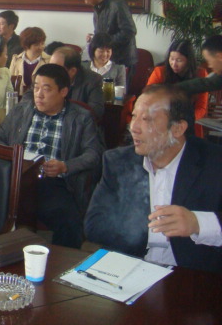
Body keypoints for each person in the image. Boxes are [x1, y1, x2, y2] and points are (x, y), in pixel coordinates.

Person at [85, 84, 222, 272]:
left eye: (147, 119)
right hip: (130, 268)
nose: (133, 128)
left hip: (193, 273)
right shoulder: (118, 161)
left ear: (177, 128)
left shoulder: (214, 163)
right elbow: (94, 225)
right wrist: (146, 229)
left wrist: (197, 223)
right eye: (133, 116)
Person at [0, 64, 103, 248]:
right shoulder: (21, 110)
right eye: (36, 88)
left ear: (63, 92)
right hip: (15, 178)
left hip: (51, 181)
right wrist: (10, 157)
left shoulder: (81, 118)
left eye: (46, 89)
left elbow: (93, 154)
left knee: (69, 223)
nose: (39, 95)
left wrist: (65, 166)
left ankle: (61, 262)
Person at [77, 0, 138, 86]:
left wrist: (106, 43)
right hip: (106, 59)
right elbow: (103, 33)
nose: (86, 2)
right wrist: (95, 38)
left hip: (121, 60)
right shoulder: (97, 7)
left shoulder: (117, 5)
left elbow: (129, 31)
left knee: (116, 94)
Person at [147, 40, 208, 137]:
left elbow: (201, 108)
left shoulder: (200, 74)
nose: (174, 64)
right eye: (171, 59)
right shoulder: (160, 72)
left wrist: (184, 122)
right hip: (162, 120)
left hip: (189, 123)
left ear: (189, 61)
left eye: (179, 60)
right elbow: (147, 98)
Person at [50, 46, 105, 119]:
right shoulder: (47, 76)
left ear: (72, 71)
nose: (51, 71)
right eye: (50, 66)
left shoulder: (93, 80)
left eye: (56, 68)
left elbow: (96, 111)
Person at [8, 27, 50, 95]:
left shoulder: (49, 61)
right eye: (36, 44)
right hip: (19, 98)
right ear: (26, 45)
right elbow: (9, 83)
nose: (41, 47)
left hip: (40, 97)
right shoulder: (16, 59)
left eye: (42, 43)